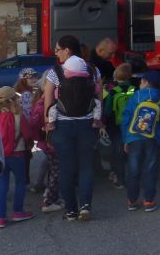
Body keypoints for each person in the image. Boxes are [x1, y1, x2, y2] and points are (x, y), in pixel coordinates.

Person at [43, 34, 106, 222]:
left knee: (66, 168)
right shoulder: (93, 70)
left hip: (62, 126)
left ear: (67, 50)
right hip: (87, 124)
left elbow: (48, 100)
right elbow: (99, 97)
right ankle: (85, 206)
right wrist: (98, 120)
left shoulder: (55, 72)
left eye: (57, 50)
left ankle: (71, 210)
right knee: (86, 166)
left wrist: (48, 125)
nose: (56, 53)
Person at [121, 70, 160, 212]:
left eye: (141, 81)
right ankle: (148, 201)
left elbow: (126, 119)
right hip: (152, 139)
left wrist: (125, 139)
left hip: (134, 138)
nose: (140, 83)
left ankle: (132, 200)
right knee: (150, 169)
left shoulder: (134, 98)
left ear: (146, 82)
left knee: (133, 170)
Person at [0, 86, 35, 228]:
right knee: (20, 182)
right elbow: (28, 135)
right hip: (17, 154)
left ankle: (0, 217)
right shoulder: (19, 116)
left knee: (2, 185)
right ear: (13, 99)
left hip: (1, 156)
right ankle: (17, 212)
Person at [29, 78, 62, 213]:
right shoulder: (50, 102)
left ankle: (51, 196)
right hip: (52, 141)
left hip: (46, 141)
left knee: (52, 169)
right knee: (55, 171)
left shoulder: (40, 100)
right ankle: (49, 201)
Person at [104, 63, 135, 189]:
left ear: (116, 77)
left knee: (118, 153)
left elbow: (107, 111)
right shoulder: (135, 89)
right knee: (133, 153)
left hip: (116, 126)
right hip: (133, 125)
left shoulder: (112, 92)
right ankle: (133, 179)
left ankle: (120, 180)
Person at [14, 68, 38, 186]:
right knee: (25, 155)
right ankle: (24, 181)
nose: (34, 79)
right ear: (24, 80)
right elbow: (28, 115)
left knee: (22, 155)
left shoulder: (18, 92)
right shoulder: (27, 94)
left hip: (17, 127)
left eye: (35, 76)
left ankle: (23, 180)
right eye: (31, 77)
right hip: (24, 129)